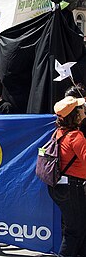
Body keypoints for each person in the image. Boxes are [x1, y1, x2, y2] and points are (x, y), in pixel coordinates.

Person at [48, 96, 86, 257]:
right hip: (72, 188)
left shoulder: (60, 133)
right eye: (81, 108)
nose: (84, 109)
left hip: (60, 187)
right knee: (75, 231)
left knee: (76, 227)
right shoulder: (75, 137)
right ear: (75, 115)